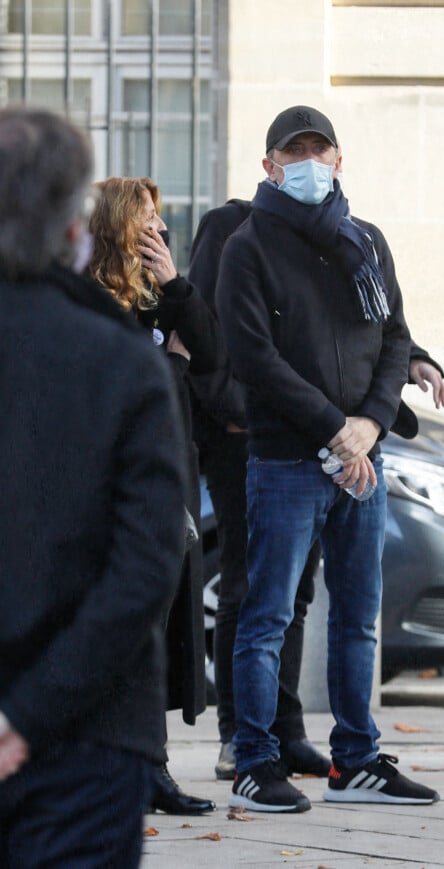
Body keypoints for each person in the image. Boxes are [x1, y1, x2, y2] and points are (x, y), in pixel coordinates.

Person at [215, 105, 441, 813]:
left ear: (339, 160)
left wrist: (369, 425)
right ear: (269, 166)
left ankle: (357, 759)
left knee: (358, 619)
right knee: (267, 615)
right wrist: (334, 432)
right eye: (294, 152)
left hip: (361, 464)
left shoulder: (366, 242)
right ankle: (254, 761)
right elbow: (254, 357)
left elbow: (394, 339)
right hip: (288, 460)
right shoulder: (246, 247)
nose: (308, 162)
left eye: (320, 150)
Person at [0, 106, 187, 867]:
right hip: (92, 733)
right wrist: (27, 717)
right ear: (74, 224)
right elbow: (147, 563)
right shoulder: (123, 360)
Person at [88, 176, 222, 815]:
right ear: (119, 226)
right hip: (107, 494)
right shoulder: (86, 303)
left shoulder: (157, 297)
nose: (162, 231)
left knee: (161, 631)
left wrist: (175, 285)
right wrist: (172, 362)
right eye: (148, 221)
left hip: (167, 484)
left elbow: (215, 355)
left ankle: (151, 770)